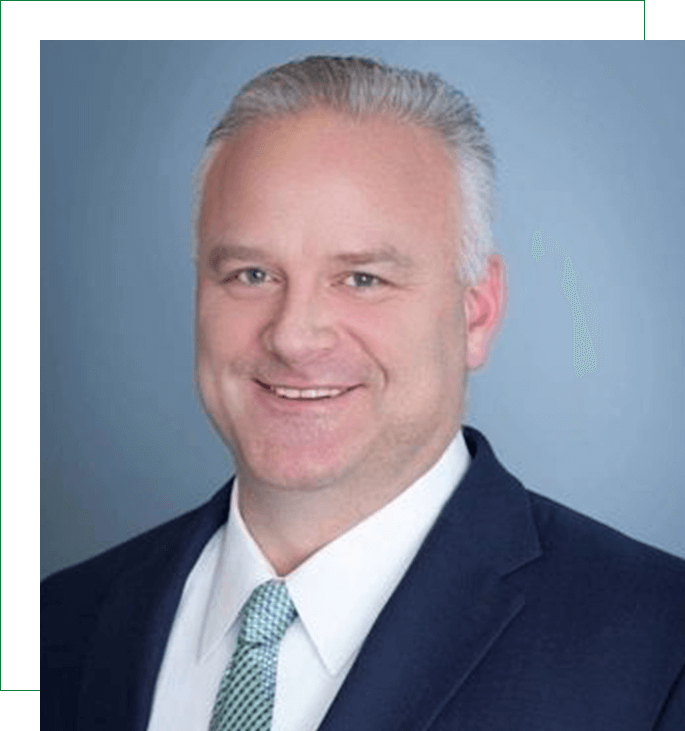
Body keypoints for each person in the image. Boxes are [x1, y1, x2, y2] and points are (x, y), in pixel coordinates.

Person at [40, 56, 685, 731]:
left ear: (476, 311)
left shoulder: (658, 650)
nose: (293, 336)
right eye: (252, 273)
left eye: (361, 279)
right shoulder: (61, 623)